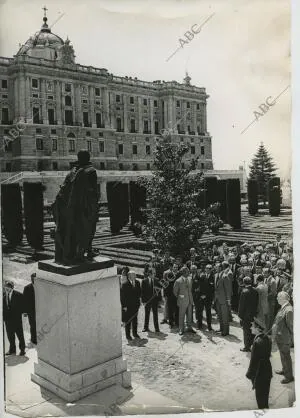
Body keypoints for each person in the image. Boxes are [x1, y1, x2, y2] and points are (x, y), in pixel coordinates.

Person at [51, 150, 99, 264]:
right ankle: (83, 253)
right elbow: (93, 191)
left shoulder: (72, 171)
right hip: (84, 207)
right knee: (88, 229)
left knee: (71, 231)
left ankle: (73, 253)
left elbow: (64, 188)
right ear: (88, 158)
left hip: (69, 206)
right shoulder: (91, 171)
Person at [246, 321, 273, 409]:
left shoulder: (256, 342)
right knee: (265, 398)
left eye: (252, 326)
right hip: (268, 371)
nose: (251, 328)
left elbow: (253, 362)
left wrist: (249, 374)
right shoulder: (268, 339)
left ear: (257, 329)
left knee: (260, 400)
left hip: (259, 374)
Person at [272, 291, 294, 384]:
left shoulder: (289, 310)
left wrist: (291, 339)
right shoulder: (284, 307)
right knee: (283, 355)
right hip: (281, 336)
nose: (277, 299)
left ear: (283, 298)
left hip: (285, 337)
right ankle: (285, 370)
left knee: (286, 356)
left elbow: (291, 326)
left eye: (278, 297)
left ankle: (289, 377)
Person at [3, 280, 26, 355]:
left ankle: (22, 350)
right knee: (10, 336)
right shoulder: (3, 295)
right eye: (6, 287)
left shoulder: (18, 295)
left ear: (12, 288)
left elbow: (24, 305)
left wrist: (22, 312)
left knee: (20, 335)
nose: (7, 289)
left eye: (8, 287)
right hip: (7, 320)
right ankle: (12, 350)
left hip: (16, 319)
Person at [238, 277, 259, 352]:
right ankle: (251, 344)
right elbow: (257, 303)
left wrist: (240, 316)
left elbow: (241, 306)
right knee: (252, 330)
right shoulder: (255, 291)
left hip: (245, 316)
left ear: (244, 282)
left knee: (246, 331)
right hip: (253, 314)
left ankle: (246, 347)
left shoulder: (244, 292)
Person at [173, 266, 195, 335]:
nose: (189, 272)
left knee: (189, 315)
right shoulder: (178, 281)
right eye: (188, 271)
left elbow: (191, 289)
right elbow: (175, 291)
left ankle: (189, 327)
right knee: (181, 315)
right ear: (184, 272)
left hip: (190, 300)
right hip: (182, 301)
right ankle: (181, 329)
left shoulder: (190, 279)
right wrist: (180, 296)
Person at [120, 270, 141, 341]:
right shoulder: (124, 284)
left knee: (135, 320)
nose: (135, 276)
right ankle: (128, 335)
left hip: (136, 305)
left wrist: (139, 302)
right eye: (133, 275)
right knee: (128, 321)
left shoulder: (137, 283)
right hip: (128, 306)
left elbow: (139, 293)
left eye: (135, 275)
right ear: (129, 276)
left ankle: (135, 333)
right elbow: (122, 297)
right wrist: (124, 306)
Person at [214, 262, 231, 336]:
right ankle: (221, 329)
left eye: (216, 267)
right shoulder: (215, 275)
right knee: (220, 315)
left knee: (225, 316)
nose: (215, 268)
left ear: (220, 268)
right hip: (217, 299)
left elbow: (228, 290)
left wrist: (228, 300)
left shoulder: (225, 276)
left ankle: (225, 331)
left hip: (224, 300)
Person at [141, 268, 160, 332]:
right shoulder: (144, 281)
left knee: (155, 314)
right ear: (149, 273)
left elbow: (159, 291)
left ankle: (157, 328)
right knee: (147, 314)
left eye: (155, 273)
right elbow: (142, 292)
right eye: (153, 273)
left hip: (155, 301)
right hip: (147, 301)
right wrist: (143, 301)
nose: (154, 274)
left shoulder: (157, 280)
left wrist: (159, 300)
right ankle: (145, 327)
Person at [197, 264, 214, 331]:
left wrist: (206, 295)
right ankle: (199, 325)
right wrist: (201, 295)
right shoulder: (202, 275)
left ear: (211, 269)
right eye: (207, 268)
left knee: (208, 312)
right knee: (199, 311)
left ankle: (209, 326)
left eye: (209, 268)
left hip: (208, 297)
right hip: (201, 296)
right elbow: (199, 285)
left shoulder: (213, 277)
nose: (208, 269)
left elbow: (212, 289)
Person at [162, 264, 179, 329]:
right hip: (169, 294)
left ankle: (177, 322)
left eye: (176, 267)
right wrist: (165, 294)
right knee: (170, 309)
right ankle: (171, 323)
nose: (175, 268)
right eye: (174, 267)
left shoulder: (179, 274)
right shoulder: (168, 274)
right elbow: (165, 285)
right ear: (172, 268)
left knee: (177, 309)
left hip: (177, 295)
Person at [23, 273, 37, 345]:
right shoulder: (27, 288)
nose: (33, 280)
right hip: (31, 311)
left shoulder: (41, 287)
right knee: (32, 325)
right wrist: (25, 312)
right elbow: (24, 300)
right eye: (32, 278)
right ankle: (34, 340)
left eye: (34, 278)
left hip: (39, 310)